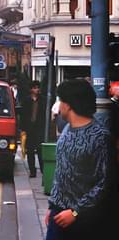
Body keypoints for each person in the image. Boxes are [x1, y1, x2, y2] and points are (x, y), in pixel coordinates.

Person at [45, 79, 114, 239]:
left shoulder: (100, 137)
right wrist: (52, 206)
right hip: (58, 214)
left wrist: (75, 212)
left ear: (68, 105)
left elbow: (105, 183)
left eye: (61, 100)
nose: (59, 104)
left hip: (84, 221)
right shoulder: (67, 127)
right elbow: (61, 170)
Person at [22, 80, 47, 178]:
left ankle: (43, 170)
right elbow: (23, 115)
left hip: (39, 128)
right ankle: (32, 171)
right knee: (30, 151)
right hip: (29, 128)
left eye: (38, 87)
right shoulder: (26, 100)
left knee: (40, 150)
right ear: (31, 89)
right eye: (35, 88)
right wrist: (23, 129)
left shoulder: (43, 100)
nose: (37, 89)